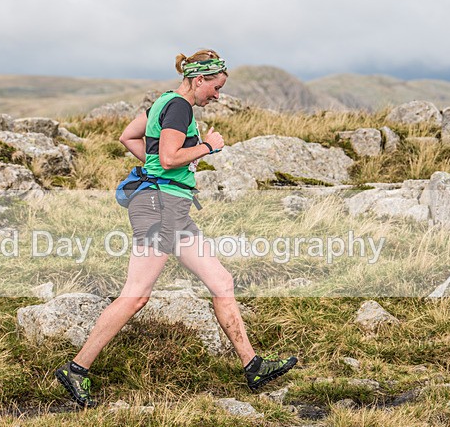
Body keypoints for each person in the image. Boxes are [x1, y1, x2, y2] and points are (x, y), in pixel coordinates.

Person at [55, 49, 297, 408]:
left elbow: (129, 138)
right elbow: (169, 158)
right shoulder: (180, 107)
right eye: (215, 87)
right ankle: (76, 368)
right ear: (199, 80)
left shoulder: (162, 103)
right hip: (159, 207)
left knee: (221, 282)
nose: (217, 95)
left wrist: (156, 166)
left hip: (173, 209)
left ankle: (253, 365)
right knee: (136, 294)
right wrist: (207, 147)